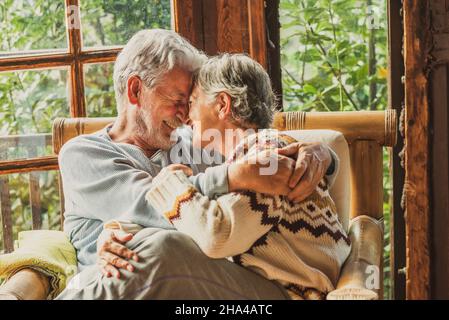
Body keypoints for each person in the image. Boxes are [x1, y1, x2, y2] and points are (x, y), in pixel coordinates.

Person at [55, 29, 338, 300]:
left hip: (198, 286)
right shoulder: (83, 154)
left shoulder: (197, 142)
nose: (186, 115)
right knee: (158, 247)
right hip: (115, 283)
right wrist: (231, 176)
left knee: (161, 248)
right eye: (179, 100)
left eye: (191, 101)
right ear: (135, 90)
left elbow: (261, 151)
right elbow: (152, 206)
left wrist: (323, 156)